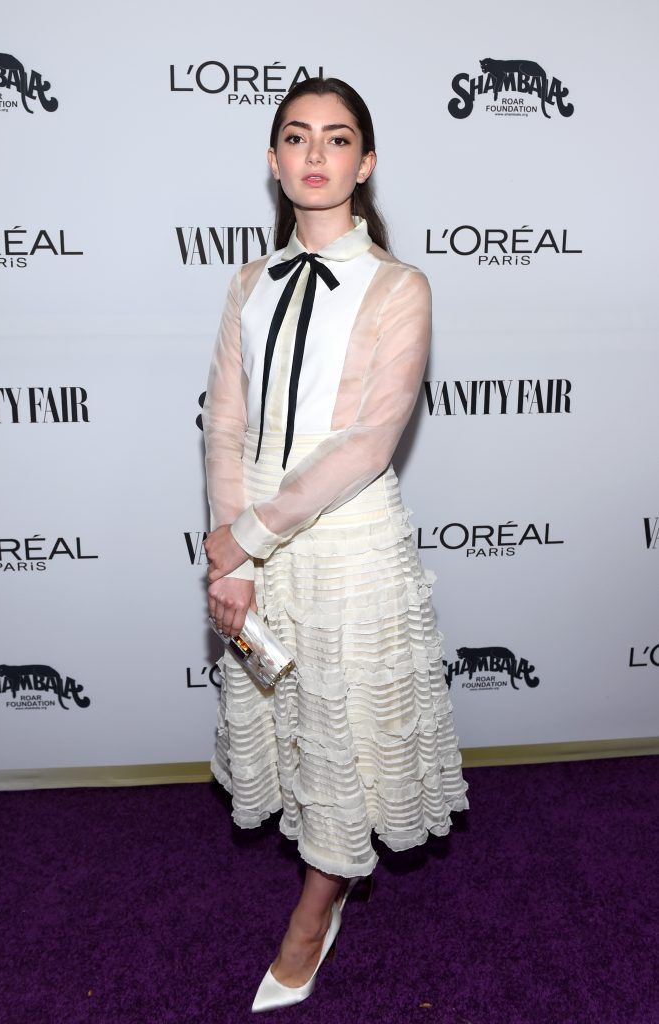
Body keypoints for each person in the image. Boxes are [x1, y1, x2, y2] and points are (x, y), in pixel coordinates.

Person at [202, 76, 469, 1012]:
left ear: (367, 162)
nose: (317, 156)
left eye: (338, 138)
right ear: (273, 161)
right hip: (254, 543)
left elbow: (368, 440)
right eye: (297, 138)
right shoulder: (247, 281)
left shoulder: (400, 286)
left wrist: (246, 536)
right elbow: (224, 422)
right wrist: (234, 550)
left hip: (348, 539)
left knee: (347, 737)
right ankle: (323, 871)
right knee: (291, 727)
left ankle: (316, 911)